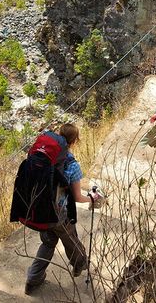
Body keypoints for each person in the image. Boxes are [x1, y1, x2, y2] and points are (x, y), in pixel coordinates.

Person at [25, 123, 100, 294]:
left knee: (48, 241)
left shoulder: (44, 157)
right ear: (74, 141)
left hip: (40, 209)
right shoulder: (72, 165)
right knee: (71, 239)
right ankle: (80, 266)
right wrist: (92, 198)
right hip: (60, 213)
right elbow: (77, 197)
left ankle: (33, 278)